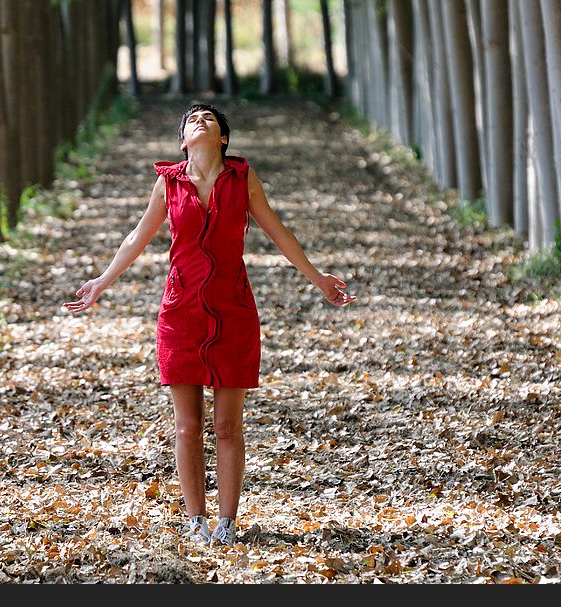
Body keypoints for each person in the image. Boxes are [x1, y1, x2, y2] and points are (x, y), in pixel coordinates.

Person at [63, 103, 355, 547]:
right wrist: (101, 282)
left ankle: (227, 524)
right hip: (180, 314)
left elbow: (278, 231)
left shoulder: (242, 178)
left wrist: (318, 279)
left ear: (222, 138)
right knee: (187, 426)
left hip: (233, 310)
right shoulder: (168, 182)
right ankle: (196, 520)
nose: (201, 120)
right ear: (183, 140)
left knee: (227, 426)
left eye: (210, 119)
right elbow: (136, 237)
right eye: (192, 119)